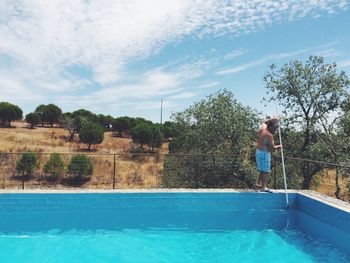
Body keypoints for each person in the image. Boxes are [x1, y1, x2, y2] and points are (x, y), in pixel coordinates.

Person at [255, 117, 282, 191]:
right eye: (275, 128)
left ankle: (259, 184)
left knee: (262, 170)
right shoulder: (269, 135)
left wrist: (273, 119)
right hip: (264, 154)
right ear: (271, 126)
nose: (275, 131)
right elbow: (272, 148)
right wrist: (279, 146)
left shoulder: (263, 129)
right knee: (265, 170)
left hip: (258, 152)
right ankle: (263, 187)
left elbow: (264, 122)